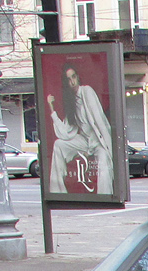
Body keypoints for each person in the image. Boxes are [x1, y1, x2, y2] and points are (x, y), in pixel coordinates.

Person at [48, 63, 114, 195]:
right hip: (85, 142)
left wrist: (109, 148)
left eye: (73, 77)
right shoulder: (70, 101)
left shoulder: (87, 91)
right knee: (58, 144)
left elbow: (100, 121)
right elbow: (65, 133)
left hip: (98, 141)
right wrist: (51, 108)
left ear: (78, 77)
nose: (72, 82)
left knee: (103, 162)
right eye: (68, 79)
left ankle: (105, 196)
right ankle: (57, 192)